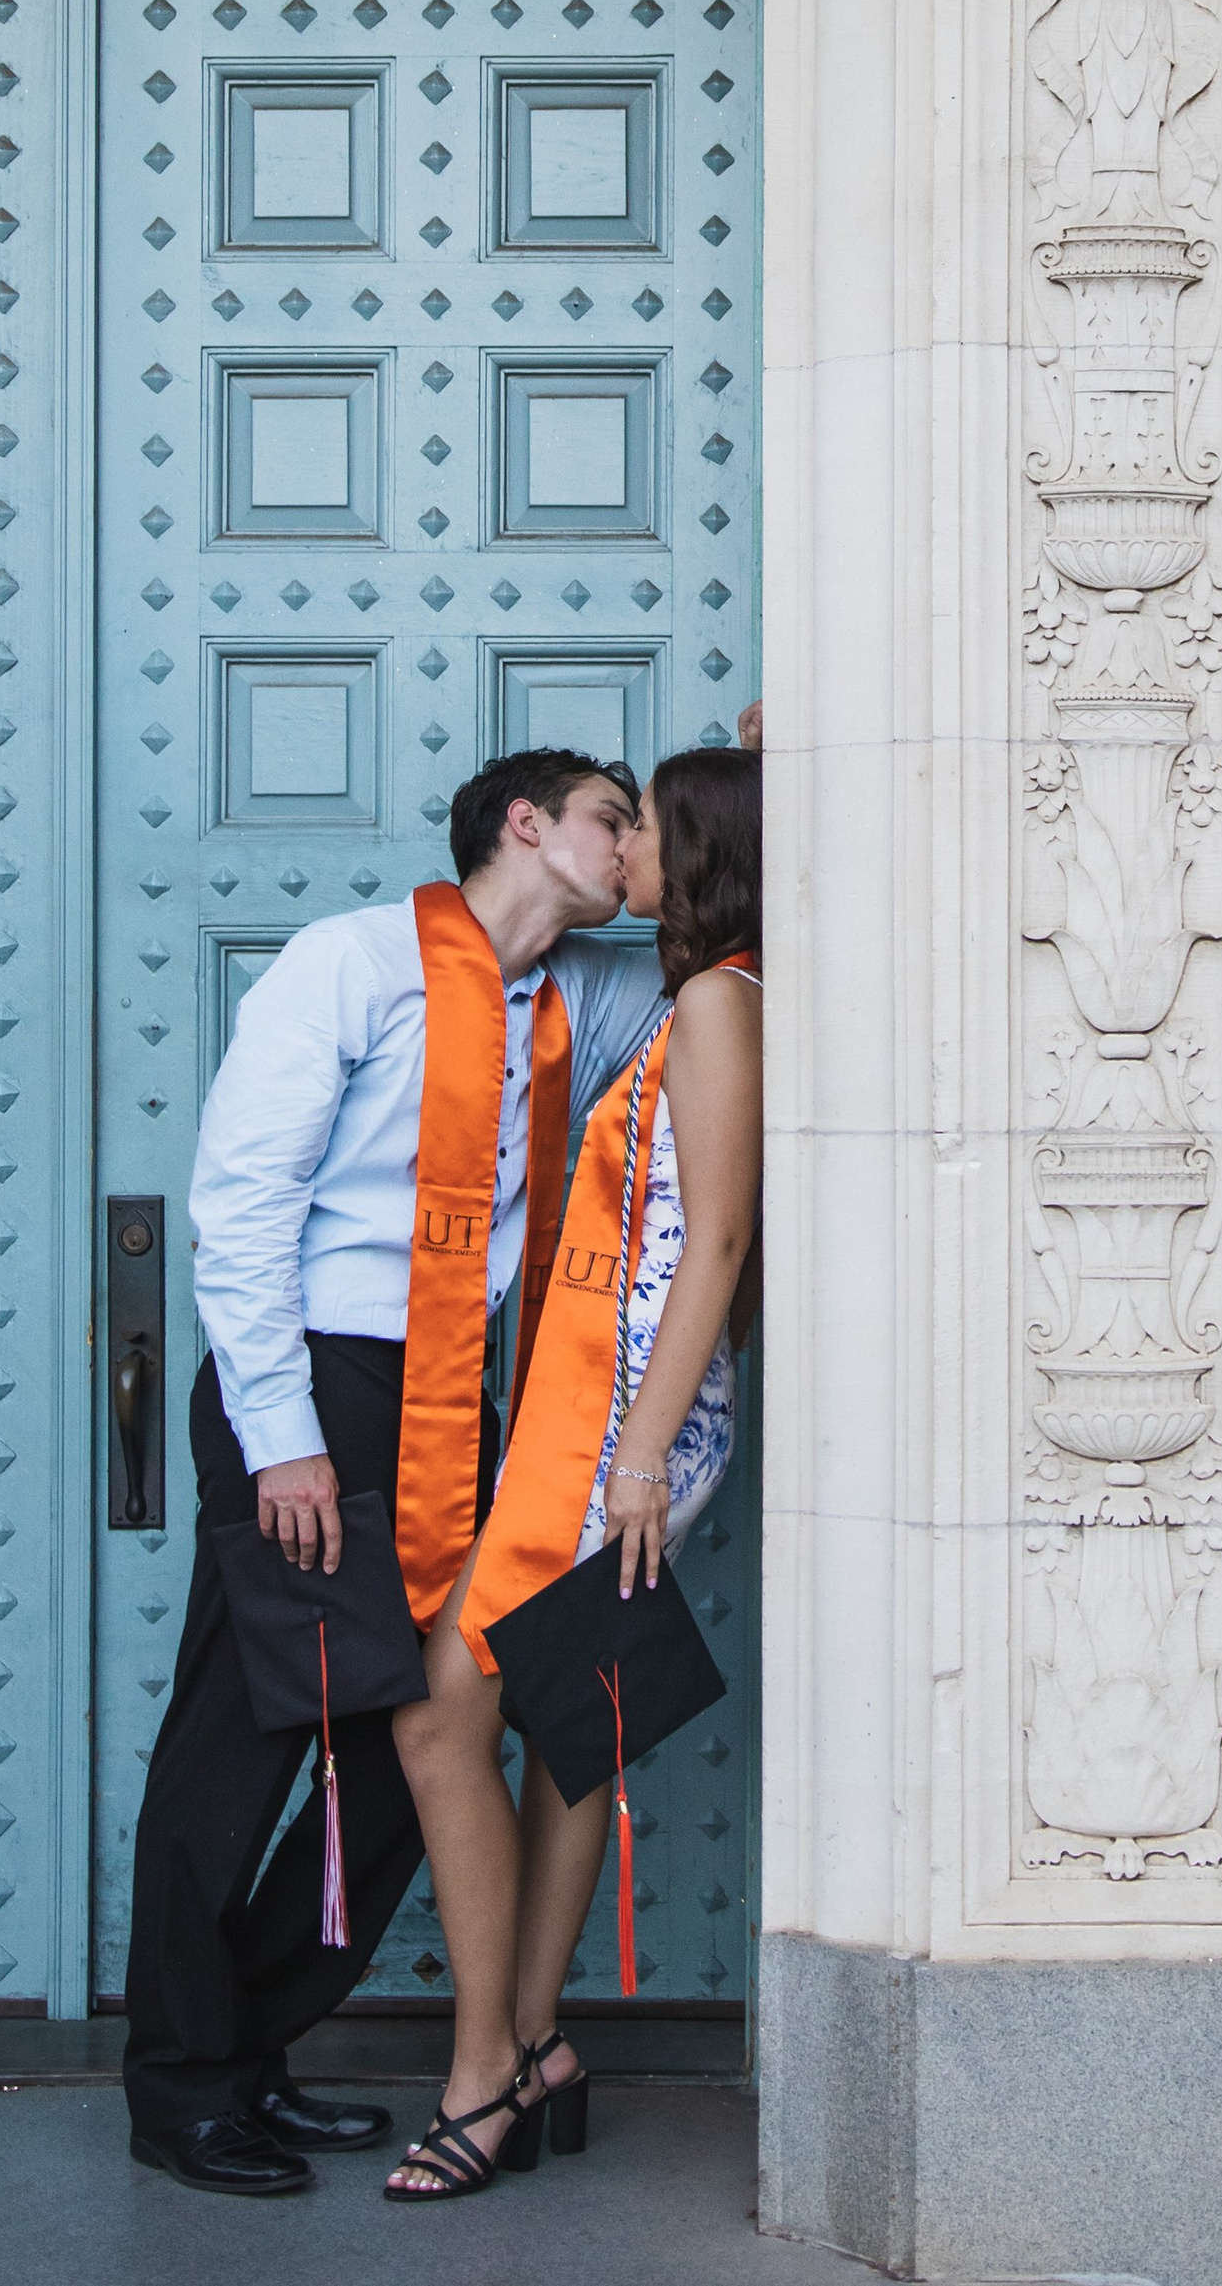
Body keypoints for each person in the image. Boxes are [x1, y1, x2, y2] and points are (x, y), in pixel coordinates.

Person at [121, 747, 662, 2198]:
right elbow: (244, 1198)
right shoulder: (350, 963)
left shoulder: (588, 998)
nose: (634, 848)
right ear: (527, 823)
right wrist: (281, 1432)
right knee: (244, 1735)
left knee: (406, 1744)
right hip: (317, 1384)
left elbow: (745, 938)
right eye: (615, 819)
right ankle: (179, 2085)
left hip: (451, 1401)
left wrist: (756, 771)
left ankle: (250, 2046)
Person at [381, 744, 764, 2201]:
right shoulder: (708, 990)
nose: (628, 845)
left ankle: (483, 2073)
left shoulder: (720, 1002)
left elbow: (716, 1240)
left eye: (646, 823)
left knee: (444, 1711)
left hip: (626, 1426)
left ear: (700, 848)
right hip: (605, 1409)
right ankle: (535, 2047)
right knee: (560, 1725)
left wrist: (647, 1454)